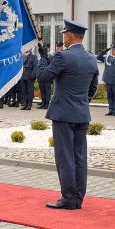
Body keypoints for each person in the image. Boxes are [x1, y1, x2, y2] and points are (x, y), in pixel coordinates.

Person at [37, 19, 99, 210]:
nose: (63, 37)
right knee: (79, 157)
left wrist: (42, 59)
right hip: (81, 114)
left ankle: (68, 198)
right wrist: (80, 102)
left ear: (70, 35)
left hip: (64, 114)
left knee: (65, 158)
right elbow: (93, 88)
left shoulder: (63, 56)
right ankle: (78, 198)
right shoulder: (90, 58)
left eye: (64, 33)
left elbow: (43, 78)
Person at [97, 45, 115, 116]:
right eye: (112, 49)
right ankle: (111, 109)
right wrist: (107, 49)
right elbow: (99, 57)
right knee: (110, 96)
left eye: (114, 49)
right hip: (108, 80)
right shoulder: (108, 57)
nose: (113, 51)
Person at [37, 43, 51, 109]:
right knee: (42, 89)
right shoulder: (42, 57)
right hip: (41, 75)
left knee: (47, 90)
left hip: (47, 76)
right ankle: (43, 101)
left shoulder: (49, 56)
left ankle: (47, 103)